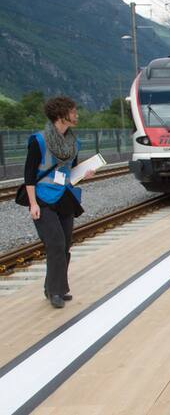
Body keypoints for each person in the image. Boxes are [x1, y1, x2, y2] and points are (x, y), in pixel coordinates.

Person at [24, 96, 93, 309]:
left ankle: (55, 287)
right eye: (73, 112)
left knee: (65, 246)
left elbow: (70, 173)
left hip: (64, 198)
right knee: (55, 245)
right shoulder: (38, 141)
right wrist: (33, 204)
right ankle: (55, 291)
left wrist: (84, 174)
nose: (76, 115)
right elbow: (28, 175)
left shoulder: (74, 142)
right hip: (43, 199)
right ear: (61, 115)